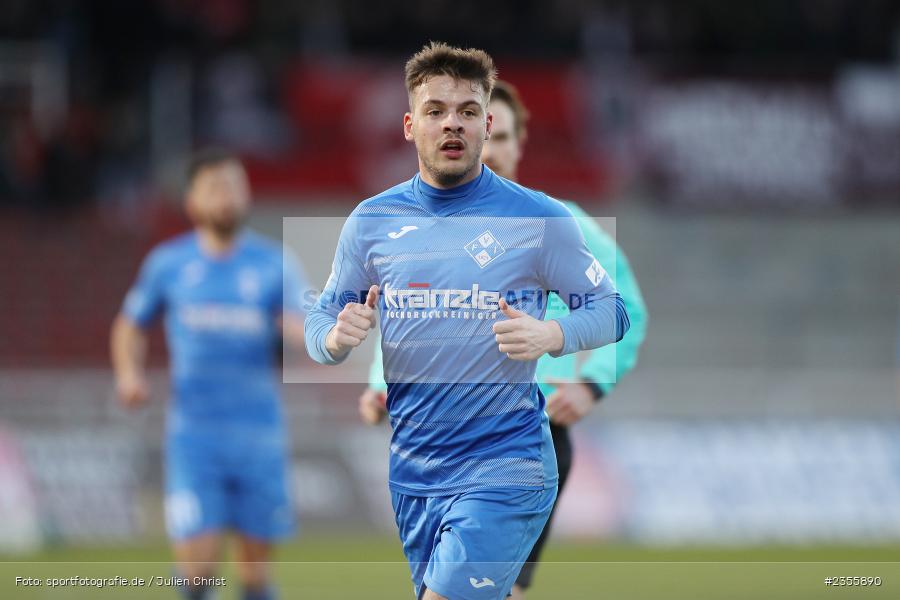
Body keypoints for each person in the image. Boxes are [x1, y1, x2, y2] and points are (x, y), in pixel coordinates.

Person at [305, 43, 630, 600]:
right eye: (435, 111)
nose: (451, 123)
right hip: (414, 473)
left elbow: (613, 311)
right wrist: (334, 339)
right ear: (410, 125)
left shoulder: (539, 218)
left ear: (486, 123)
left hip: (508, 466)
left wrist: (553, 334)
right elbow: (323, 315)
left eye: (467, 111)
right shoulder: (372, 223)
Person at [111, 150, 308, 600]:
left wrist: (313, 335)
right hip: (194, 436)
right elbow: (129, 325)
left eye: (235, 187)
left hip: (259, 435)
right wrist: (129, 374)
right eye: (216, 188)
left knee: (255, 575)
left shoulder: (273, 263)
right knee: (199, 572)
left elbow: (303, 325)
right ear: (192, 200)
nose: (228, 197)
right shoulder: (169, 264)